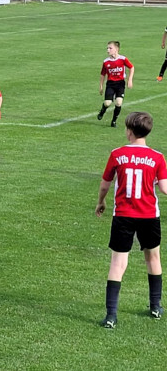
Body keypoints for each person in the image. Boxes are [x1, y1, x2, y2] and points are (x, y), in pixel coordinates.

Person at [95, 111, 167, 328]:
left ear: (129, 131)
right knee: (153, 259)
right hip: (148, 216)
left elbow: (106, 183)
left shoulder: (117, 154)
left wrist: (101, 202)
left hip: (123, 216)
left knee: (118, 263)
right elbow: (164, 188)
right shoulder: (157, 157)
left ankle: (111, 316)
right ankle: (155, 307)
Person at [98, 41, 134, 128]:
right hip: (110, 84)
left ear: (116, 49)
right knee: (107, 103)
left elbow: (131, 67)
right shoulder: (106, 62)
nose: (108, 50)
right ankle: (102, 111)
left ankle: (113, 121)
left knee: (118, 102)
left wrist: (130, 80)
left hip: (120, 83)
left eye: (110, 48)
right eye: (107, 48)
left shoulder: (123, 59)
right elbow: (103, 74)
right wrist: (101, 86)